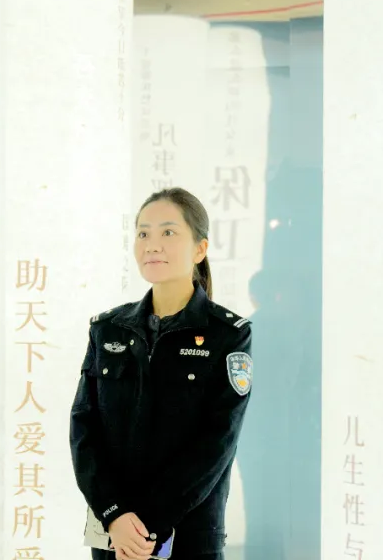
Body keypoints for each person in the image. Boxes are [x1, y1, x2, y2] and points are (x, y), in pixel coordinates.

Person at [70, 187, 254, 560]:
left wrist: (147, 526)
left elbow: (217, 441)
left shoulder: (228, 335)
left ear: (200, 249)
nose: (152, 245)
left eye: (168, 232)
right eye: (143, 233)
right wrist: (114, 514)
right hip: (114, 537)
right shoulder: (108, 329)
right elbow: (84, 427)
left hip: (185, 537)